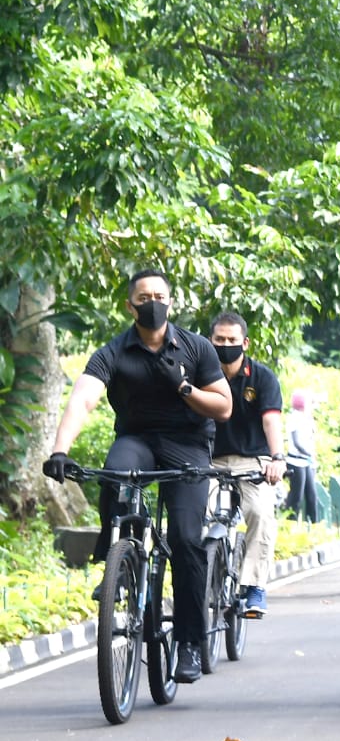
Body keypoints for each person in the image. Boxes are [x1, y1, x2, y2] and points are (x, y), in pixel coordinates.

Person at [42, 269, 232, 683]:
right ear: (130, 305)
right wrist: (60, 450)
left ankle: (188, 644)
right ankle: (118, 557)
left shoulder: (197, 348)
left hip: (188, 444)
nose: (153, 303)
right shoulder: (113, 352)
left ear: (171, 301)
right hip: (138, 439)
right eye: (144, 297)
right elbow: (84, 398)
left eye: (159, 295)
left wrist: (184, 389)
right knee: (114, 473)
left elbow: (223, 406)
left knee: (185, 539)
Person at [208, 312, 287, 618]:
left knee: (261, 513)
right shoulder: (200, 374)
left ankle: (254, 586)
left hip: (252, 462)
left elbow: (271, 421)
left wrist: (277, 458)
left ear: (245, 342)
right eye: (219, 340)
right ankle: (201, 581)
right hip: (208, 462)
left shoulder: (262, 377)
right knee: (195, 515)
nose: (225, 345)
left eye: (231, 340)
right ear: (210, 340)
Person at [284, 390, 319, 523]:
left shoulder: (307, 418)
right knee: (296, 496)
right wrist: (310, 453)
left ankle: (313, 524)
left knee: (312, 495)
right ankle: (290, 523)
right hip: (296, 461)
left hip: (307, 462)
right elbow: (297, 442)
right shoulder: (295, 417)